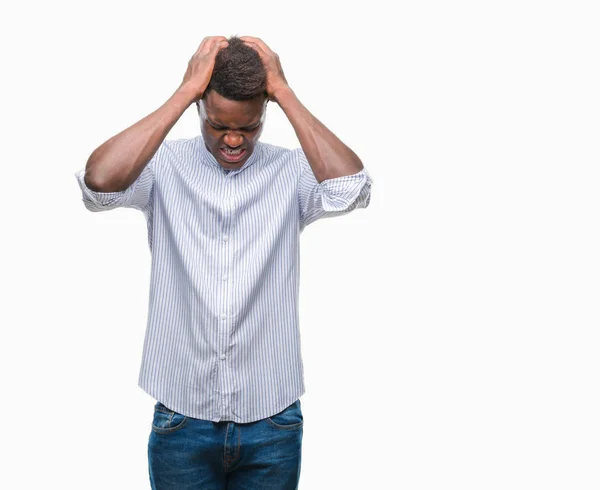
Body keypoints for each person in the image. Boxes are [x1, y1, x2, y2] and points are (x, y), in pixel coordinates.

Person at [74, 35, 372, 490]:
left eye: (248, 128)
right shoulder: (161, 167)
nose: (233, 139)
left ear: (264, 114)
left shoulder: (291, 172)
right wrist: (184, 90)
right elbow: (99, 184)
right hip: (181, 419)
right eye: (217, 125)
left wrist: (285, 90)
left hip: (272, 422)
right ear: (199, 110)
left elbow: (352, 189)